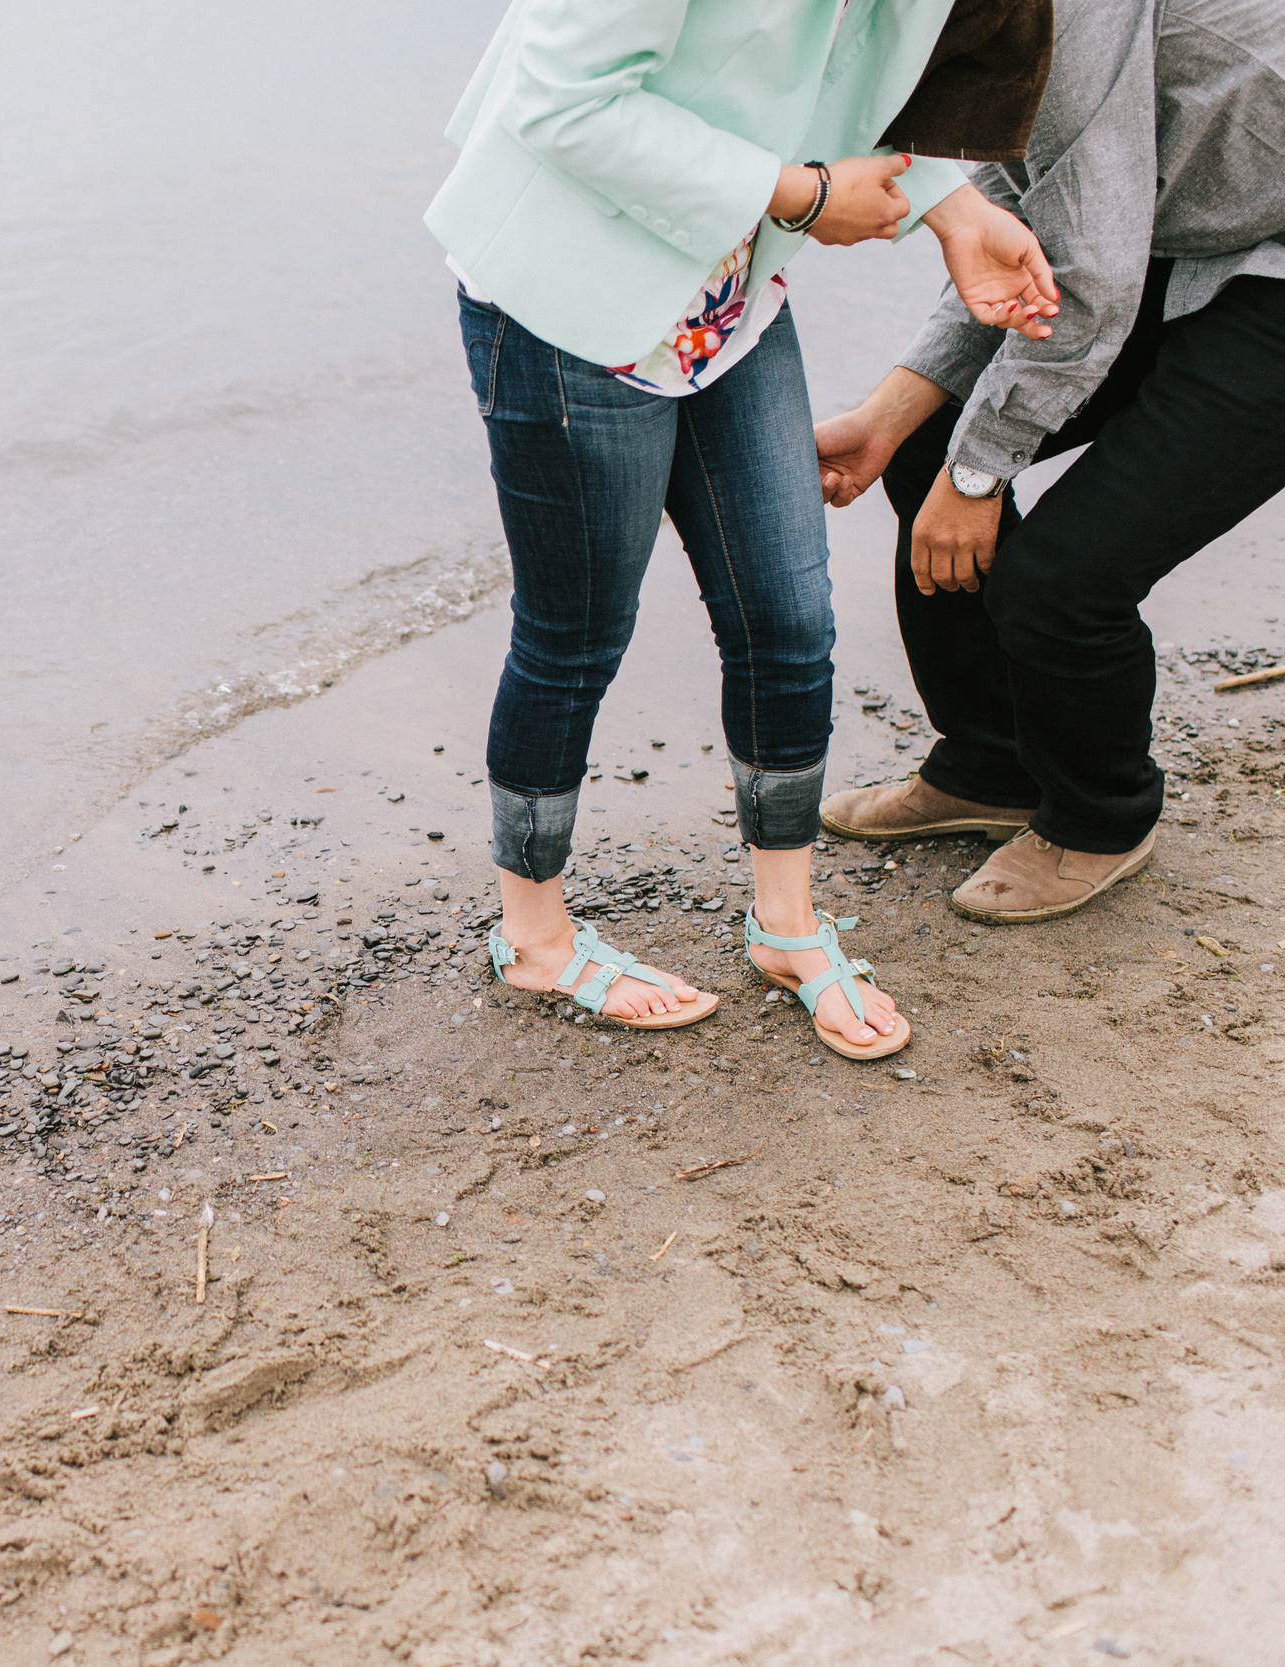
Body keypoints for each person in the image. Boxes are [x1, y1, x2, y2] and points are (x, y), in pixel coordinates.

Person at [426, 0, 1057, 1059]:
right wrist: (803, 195)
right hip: (571, 299)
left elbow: (838, 73)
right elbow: (563, 98)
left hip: (732, 295)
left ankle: (786, 925)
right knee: (573, 636)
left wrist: (949, 207)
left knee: (786, 616)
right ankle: (534, 935)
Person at [815, 0, 1285, 922]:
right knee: (927, 445)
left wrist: (982, 473)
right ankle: (993, 764)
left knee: (1062, 578)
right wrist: (894, 413)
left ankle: (1100, 819)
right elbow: (1026, 200)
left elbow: (1087, 271)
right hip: (1212, 214)